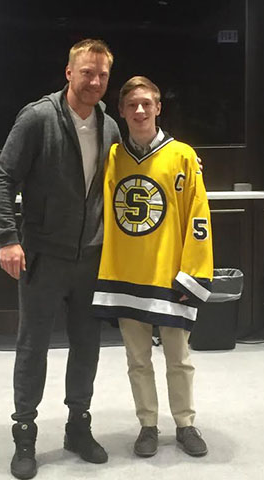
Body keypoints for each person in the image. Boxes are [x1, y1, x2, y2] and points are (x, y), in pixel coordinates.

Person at [0, 39, 121, 480]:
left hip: (92, 259)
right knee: (34, 347)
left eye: (102, 74)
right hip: (43, 256)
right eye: (87, 72)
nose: (95, 81)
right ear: (69, 72)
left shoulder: (110, 127)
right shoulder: (38, 117)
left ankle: (77, 427)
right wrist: (8, 238)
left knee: (87, 347)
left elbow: (122, 185)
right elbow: (5, 178)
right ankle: (24, 432)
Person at [92, 76, 213, 458]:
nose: (140, 110)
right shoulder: (111, 157)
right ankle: (147, 424)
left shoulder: (182, 156)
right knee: (137, 359)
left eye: (147, 103)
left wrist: (192, 273)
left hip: (170, 276)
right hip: (126, 275)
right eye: (132, 105)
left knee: (179, 358)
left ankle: (185, 423)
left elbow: (199, 217)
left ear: (158, 107)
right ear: (122, 111)